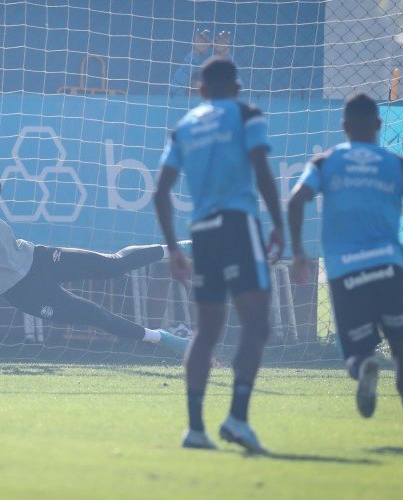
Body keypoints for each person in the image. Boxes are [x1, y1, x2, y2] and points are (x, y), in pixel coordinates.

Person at [0, 111, 189, 355]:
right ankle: (161, 338)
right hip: (22, 293)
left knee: (113, 264)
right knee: (97, 316)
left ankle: (177, 248)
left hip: (39, 259)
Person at [288, 93, 403, 447]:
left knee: (356, 354)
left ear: (344, 127)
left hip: (346, 273)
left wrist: (299, 252)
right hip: (389, 268)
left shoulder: (324, 163)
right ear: (378, 125)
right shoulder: (401, 166)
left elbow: (296, 200)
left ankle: (364, 368)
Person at [154, 57, 284, 453]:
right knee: (256, 325)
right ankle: (237, 419)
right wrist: (278, 223)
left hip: (202, 233)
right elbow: (261, 169)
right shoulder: (248, 114)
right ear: (238, 87)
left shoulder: (184, 127)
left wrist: (174, 247)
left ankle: (195, 429)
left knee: (205, 332)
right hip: (238, 225)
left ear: (201, 90)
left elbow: (160, 192)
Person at [170, 29, 232, 97]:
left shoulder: (220, 103)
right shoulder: (180, 102)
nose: (199, 85)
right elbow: (174, 90)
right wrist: (224, 55)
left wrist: (224, 55)